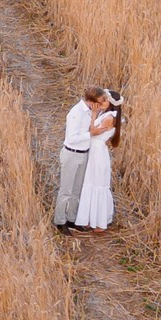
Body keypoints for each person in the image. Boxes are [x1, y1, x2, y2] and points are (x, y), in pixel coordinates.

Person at [54, 85, 104, 230]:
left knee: (77, 190)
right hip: (72, 154)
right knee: (66, 190)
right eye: (99, 102)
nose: (101, 106)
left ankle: (72, 218)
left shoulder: (92, 112)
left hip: (83, 154)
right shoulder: (76, 113)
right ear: (90, 101)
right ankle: (60, 221)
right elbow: (72, 138)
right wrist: (90, 134)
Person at [75, 90, 117, 231]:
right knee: (90, 182)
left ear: (111, 103)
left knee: (97, 184)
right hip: (94, 152)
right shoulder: (103, 114)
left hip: (98, 155)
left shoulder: (109, 117)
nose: (100, 103)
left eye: (104, 101)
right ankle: (89, 219)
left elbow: (93, 131)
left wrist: (93, 115)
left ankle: (99, 222)